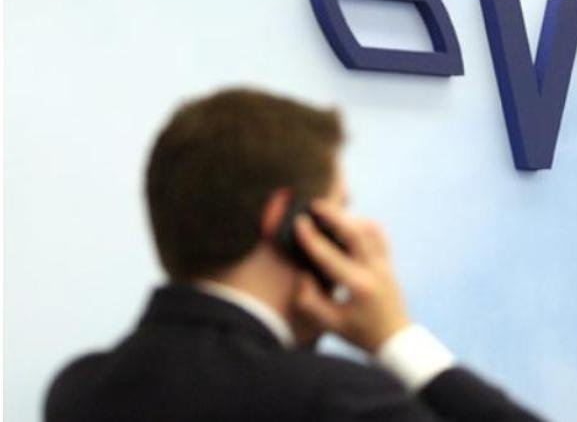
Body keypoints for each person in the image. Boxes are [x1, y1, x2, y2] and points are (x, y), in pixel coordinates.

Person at [45, 88, 545, 421]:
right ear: (287, 220)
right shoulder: (337, 400)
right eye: (340, 208)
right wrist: (395, 337)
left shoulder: (78, 390)